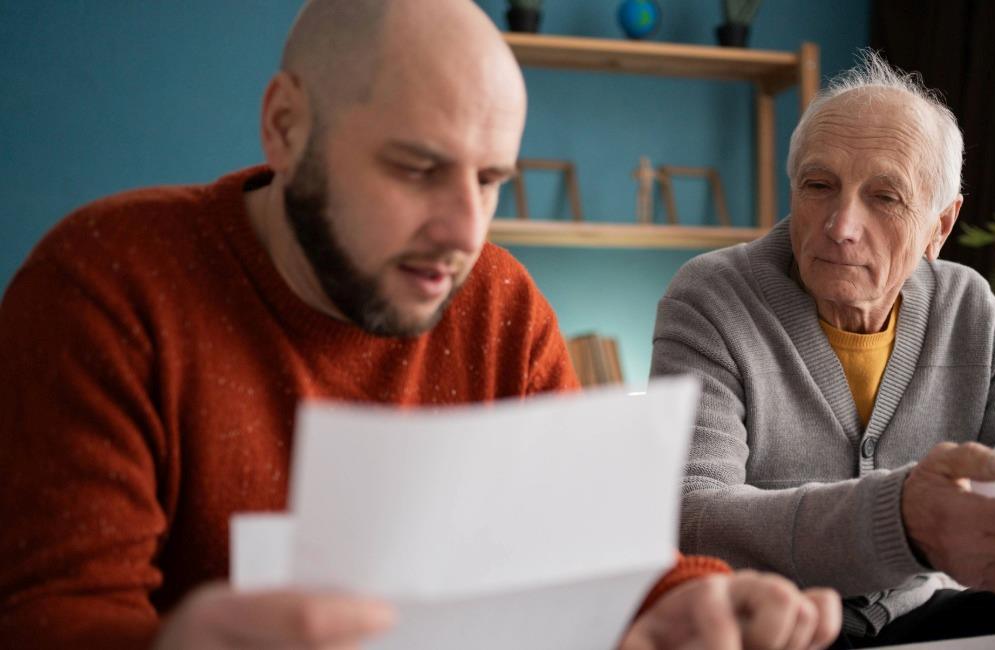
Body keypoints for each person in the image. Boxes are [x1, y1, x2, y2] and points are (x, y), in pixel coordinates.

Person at [0, 1, 843, 648]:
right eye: (417, 168)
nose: (463, 233)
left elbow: (585, 546)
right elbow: (49, 618)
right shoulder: (106, 283)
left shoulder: (498, 304)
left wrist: (679, 598)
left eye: (489, 180)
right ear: (286, 127)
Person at [650, 51, 995, 646]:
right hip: (779, 623)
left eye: (884, 197)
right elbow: (692, 516)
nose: (841, 225)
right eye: (819, 185)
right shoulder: (711, 294)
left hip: (920, 612)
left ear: (940, 226)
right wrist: (902, 519)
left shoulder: (968, 305)